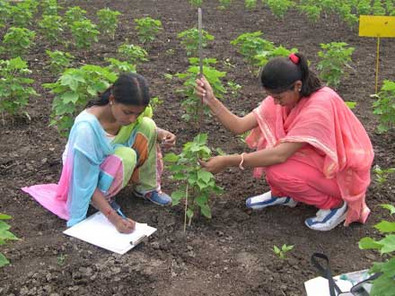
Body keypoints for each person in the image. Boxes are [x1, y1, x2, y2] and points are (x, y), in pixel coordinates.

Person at [195, 53, 374, 231]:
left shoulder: (319, 106)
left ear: (297, 86)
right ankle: (286, 194)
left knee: (278, 169)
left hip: (342, 174)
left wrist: (228, 161)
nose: (275, 102)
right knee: (273, 163)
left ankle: (335, 204)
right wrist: (211, 100)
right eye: (272, 97)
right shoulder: (284, 96)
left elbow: (280, 155)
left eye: (278, 98)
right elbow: (239, 125)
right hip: (319, 161)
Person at [23, 73, 176, 233]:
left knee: (148, 124)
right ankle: (103, 198)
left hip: (111, 158)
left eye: (136, 113)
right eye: (127, 112)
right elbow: (84, 179)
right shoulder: (87, 129)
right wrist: (114, 218)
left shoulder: (128, 114)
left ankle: (146, 188)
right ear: (112, 100)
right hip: (83, 171)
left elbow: (142, 125)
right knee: (126, 156)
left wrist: (161, 134)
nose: (132, 119)